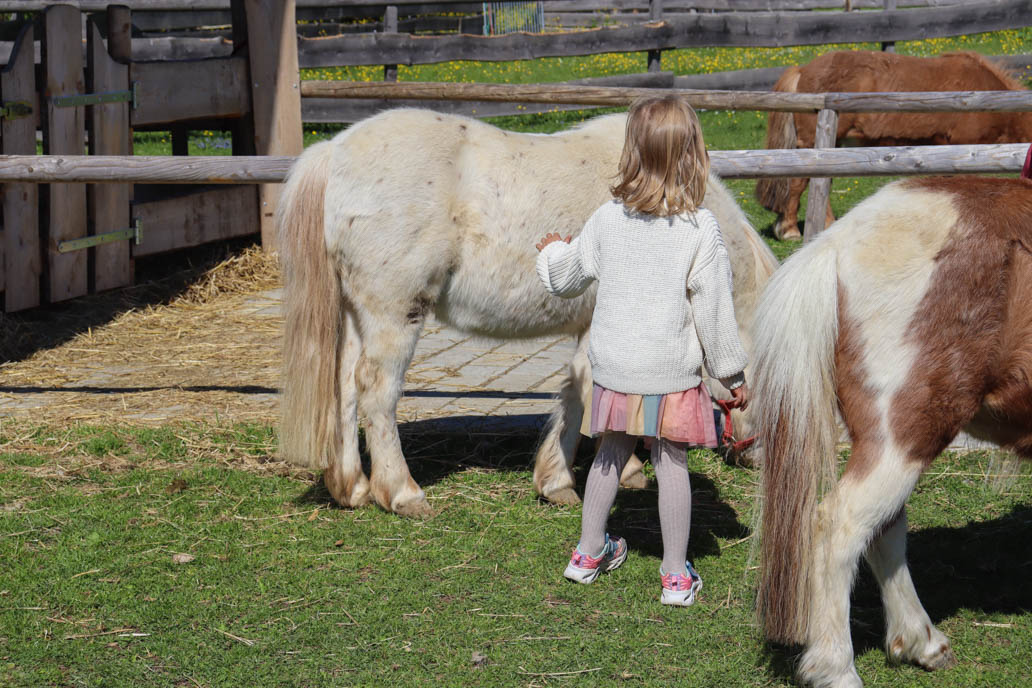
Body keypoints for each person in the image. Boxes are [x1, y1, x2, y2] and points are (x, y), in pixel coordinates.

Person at [534, 95, 749, 607]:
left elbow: (566, 279)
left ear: (631, 153)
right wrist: (732, 375)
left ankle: (587, 553)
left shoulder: (608, 220)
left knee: (611, 451)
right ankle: (675, 575)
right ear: (694, 155)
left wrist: (549, 252)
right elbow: (715, 311)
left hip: (615, 368)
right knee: (671, 461)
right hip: (669, 371)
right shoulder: (700, 231)